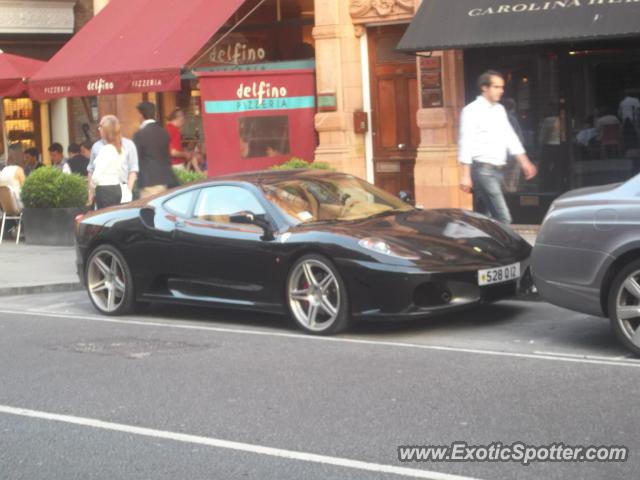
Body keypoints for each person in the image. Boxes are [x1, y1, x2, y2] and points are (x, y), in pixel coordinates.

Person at [459, 71, 537, 224]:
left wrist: (525, 162)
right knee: (503, 217)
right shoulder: (471, 111)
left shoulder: (500, 110)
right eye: (496, 87)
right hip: (483, 170)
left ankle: (483, 244)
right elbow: (465, 142)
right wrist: (465, 175)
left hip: (498, 170)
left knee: (488, 218)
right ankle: (509, 246)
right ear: (484, 88)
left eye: (501, 87)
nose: (501, 91)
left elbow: (510, 138)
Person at [87, 116, 139, 206]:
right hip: (116, 188)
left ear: (107, 131)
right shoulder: (119, 149)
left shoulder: (106, 150)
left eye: (101, 127)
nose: (99, 129)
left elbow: (95, 176)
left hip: (105, 190)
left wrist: (92, 187)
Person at [134, 101, 177, 198]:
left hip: (148, 182)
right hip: (165, 180)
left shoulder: (140, 135)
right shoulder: (164, 132)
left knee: (149, 210)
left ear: (141, 115)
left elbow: (136, 159)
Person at [0, 143, 26, 209]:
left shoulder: (3, 171)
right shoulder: (18, 170)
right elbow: (26, 189)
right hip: (19, 205)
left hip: (5, 207)